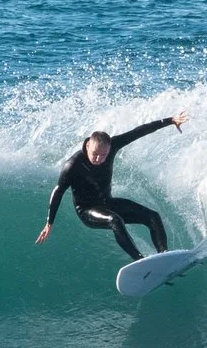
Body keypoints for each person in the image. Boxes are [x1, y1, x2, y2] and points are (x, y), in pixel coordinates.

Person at [35, 112, 188, 261]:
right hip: (87, 210)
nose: (99, 159)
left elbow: (138, 132)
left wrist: (170, 120)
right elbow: (58, 191)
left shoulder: (113, 145)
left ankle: (164, 257)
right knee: (115, 220)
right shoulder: (73, 165)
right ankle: (139, 261)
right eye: (95, 153)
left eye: (103, 155)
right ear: (88, 145)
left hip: (108, 202)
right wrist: (49, 222)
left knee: (153, 217)